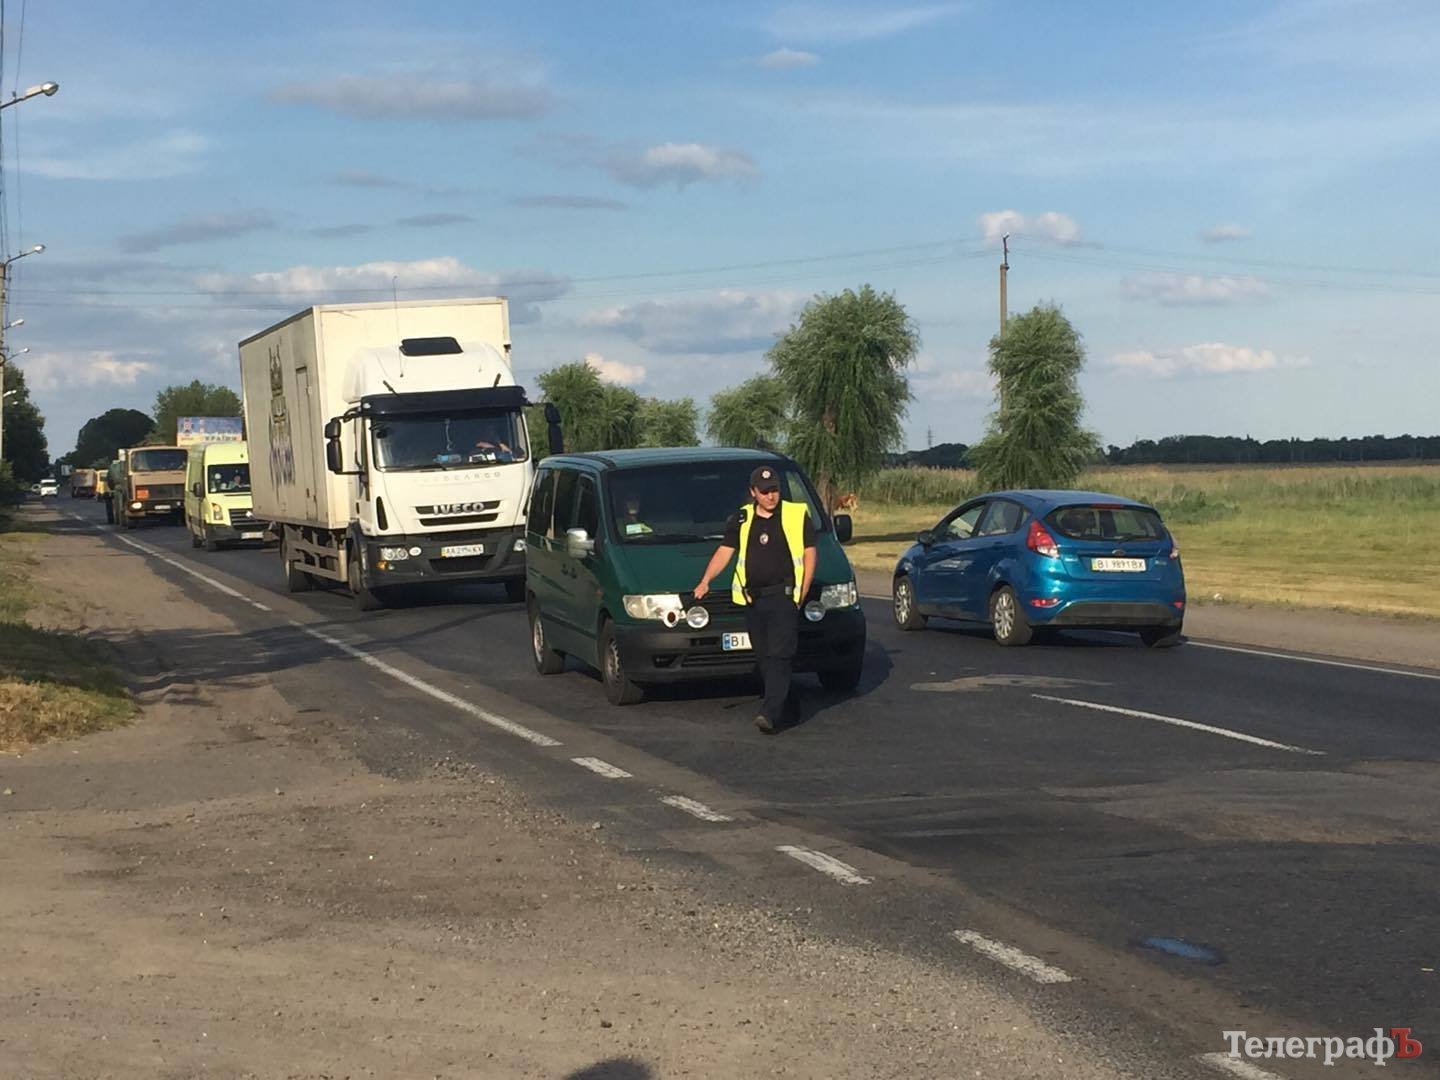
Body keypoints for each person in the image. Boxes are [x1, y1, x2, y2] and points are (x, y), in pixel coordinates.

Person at [693, 465, 817, 734]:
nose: (771, 496)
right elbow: (725, 552)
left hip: (784, 597)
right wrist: (706, 580)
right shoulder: (741, 519)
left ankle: (769, 713)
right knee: (765, 658)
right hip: (754, 601)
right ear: (753, 493)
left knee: (780, 655)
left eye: (774, 490)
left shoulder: (796, 514)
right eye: (765, 492)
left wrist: (803, 590)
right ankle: (788, 705)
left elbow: (809, 553)